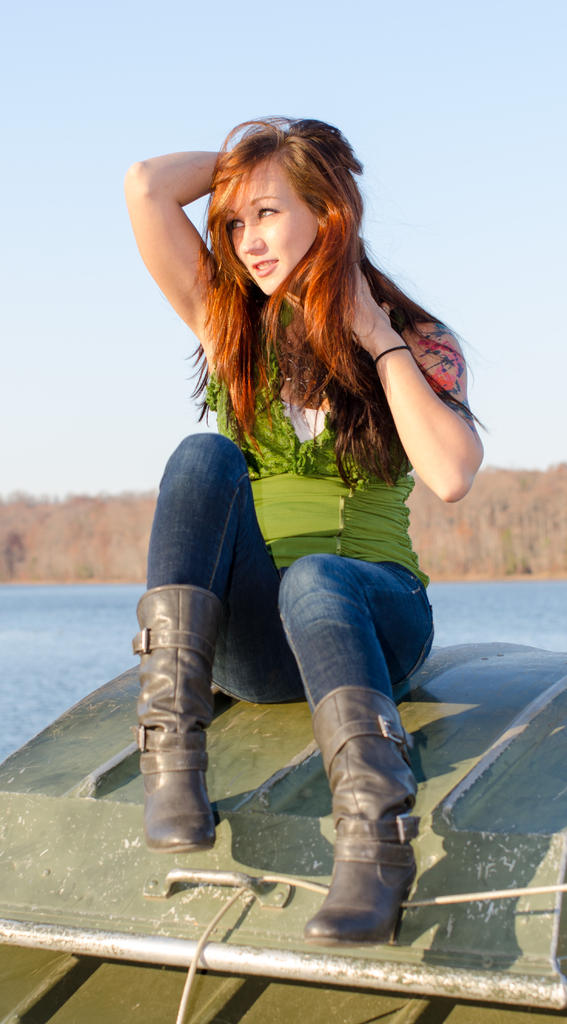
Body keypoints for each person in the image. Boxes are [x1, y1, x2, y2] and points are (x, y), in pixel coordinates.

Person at [124, 117, 483, 947]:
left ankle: (375, 846)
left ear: (328, 212)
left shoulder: (415, 340)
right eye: (233, 221)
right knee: (201, 455)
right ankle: (170, 758)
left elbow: (451, 475)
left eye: (268, 213)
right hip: (255, 645)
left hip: (371, 623)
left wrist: (376, 339)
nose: (246, 241)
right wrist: (258, 161)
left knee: (317, 575)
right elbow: (146, 185)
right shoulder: (232, 328)